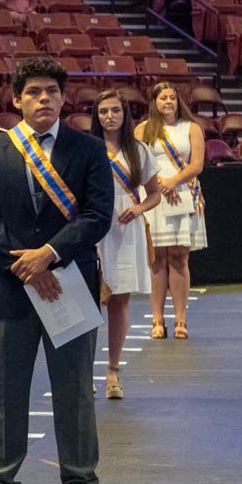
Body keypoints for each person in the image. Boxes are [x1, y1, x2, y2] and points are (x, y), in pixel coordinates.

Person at [0, 55, 112, 484]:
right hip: (10, 288)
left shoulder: (88, 149)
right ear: (16, 100)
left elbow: (98, 215)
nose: (43, 98)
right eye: (33, 92)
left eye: (51, 91)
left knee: (75, 392)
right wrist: (28, 265)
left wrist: (48, 254)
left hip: (70, 285)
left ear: (64, 99)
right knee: (6, 394)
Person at [92, 88, 160, 400]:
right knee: (89, 301)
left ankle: (112, 371)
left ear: (125, 114)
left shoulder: (139, 150)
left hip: (126, 229)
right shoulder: (87, 148)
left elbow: (154, 194)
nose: (110, 116)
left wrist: (139, 208)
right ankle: (82, 371)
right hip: (93, 227)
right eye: (104, 111)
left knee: (119, 301)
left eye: (115, 110)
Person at [137, 81, 206, 340]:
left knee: (179, 257)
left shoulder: (192, 128)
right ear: (154, 102)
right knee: (156, 259)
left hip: (182, 193)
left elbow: (197, 165)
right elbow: (137, 163)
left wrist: (173, 181)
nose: (168, 101)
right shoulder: (142, 129)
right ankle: (157, 319)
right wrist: (160, 184)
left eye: (172, 97)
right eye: (163, 97)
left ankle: (180, 319)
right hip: (153, 194)